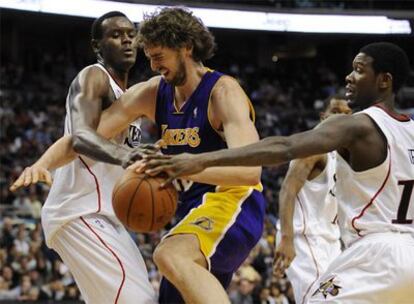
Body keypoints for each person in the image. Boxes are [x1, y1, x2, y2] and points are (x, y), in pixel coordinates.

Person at [12, 7, 266, 304]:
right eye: (149, 57)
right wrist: (41, 164)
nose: (153, 64)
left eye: (159, 56)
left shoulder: (223, 93)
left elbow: (249, 172)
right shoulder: (153, 92)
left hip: (234, 202)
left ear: (185, 47)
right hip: (193, 209)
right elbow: (83, 138)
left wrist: (182, 166)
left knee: (169, 255)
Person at [143, 42, 414, 303]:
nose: (349, 77)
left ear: (384, 80)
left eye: (359, 69)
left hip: (377, 253)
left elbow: (284, 147)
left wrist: (200, 161)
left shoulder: (358, 126)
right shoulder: (410, 131)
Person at [11, 11, 156, 304]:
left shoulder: (129, 99)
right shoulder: (94, 77)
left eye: (131, 34)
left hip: (105, 216)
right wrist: (130, 156)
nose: (127, 40)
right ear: (97, 46)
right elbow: (80, 138)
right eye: (116, 35)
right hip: (79, 211)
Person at [273, 96, 351, 304]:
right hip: (304, 238)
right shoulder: (313, 148)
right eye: (336, 115)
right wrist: (287, 239)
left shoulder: (347, 158)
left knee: (344, 297)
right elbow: (287, 190)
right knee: (321, 300)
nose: (340, 122)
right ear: (324, 118)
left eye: (346, 117)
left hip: (332, 242)